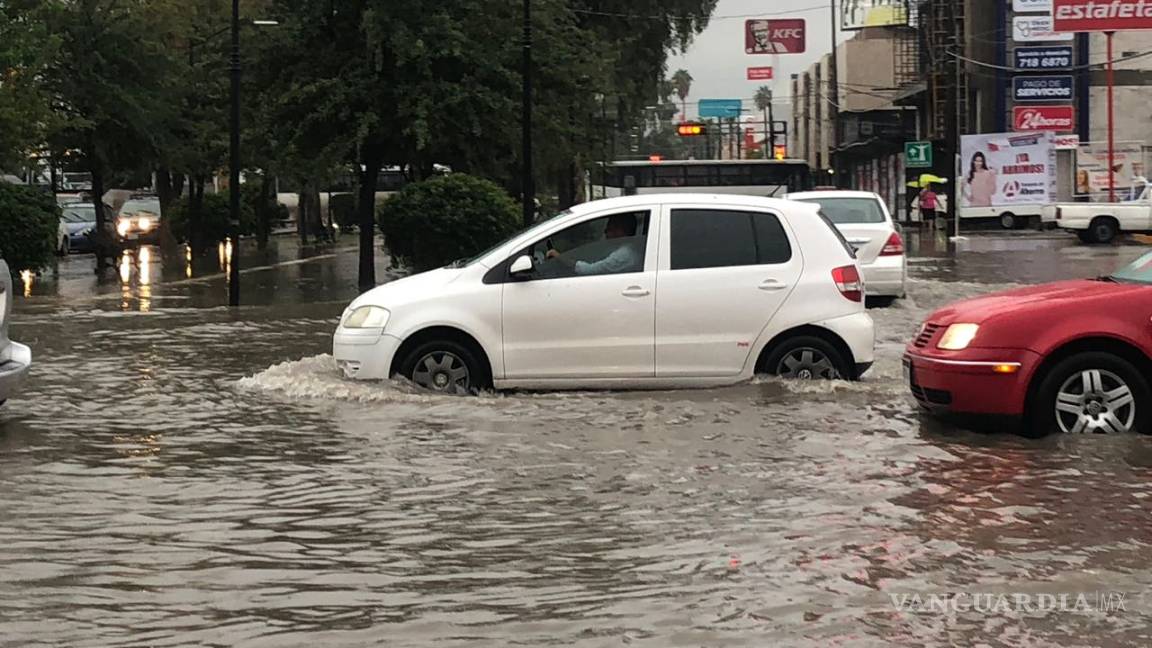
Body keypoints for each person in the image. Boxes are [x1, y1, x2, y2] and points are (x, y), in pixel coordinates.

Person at [547, 213, 641, 276]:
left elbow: (589, 270)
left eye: (609, 229)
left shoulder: (624, 255)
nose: (606, 233)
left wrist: (559, 256)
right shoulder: (624, 250)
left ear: (621, 230)